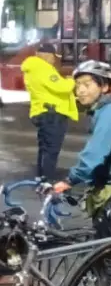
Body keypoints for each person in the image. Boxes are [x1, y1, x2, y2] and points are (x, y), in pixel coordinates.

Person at [51, 61, 111, 237]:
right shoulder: (103, 110)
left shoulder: (110, 112)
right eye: (78, 85)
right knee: (105, 242)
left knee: (108, 247)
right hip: (109, 184)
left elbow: (95, 153)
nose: (80, 91)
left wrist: (70, 180)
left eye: (87, 85)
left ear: (104, 87)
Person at [22, 42, 78, 182]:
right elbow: (62, 87)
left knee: (44, 147)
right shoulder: (43, 69)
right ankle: (48, 179)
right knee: (52, 149)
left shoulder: (33, 68)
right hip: (52, 114)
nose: (54, 59)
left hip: (43, 111)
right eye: (53, 56)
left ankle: (41, 176)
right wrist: (72, 80)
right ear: (47, 55)